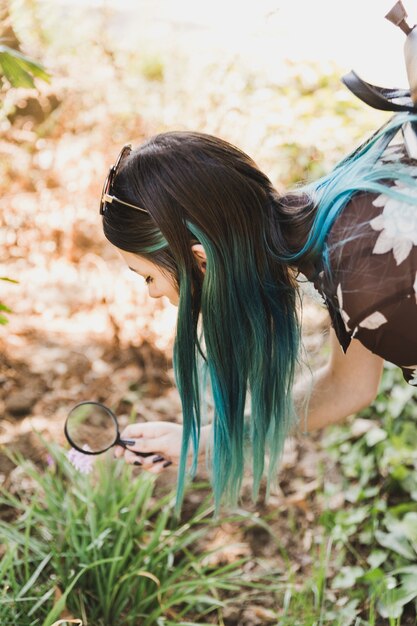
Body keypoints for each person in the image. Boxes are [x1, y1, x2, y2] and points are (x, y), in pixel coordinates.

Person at [100, 113, 417, 508]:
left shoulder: (368, 280)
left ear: (202, 261)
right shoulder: (338, 230)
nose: (152, 295)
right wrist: (209, 439)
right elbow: (347, 386)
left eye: (148, 277)